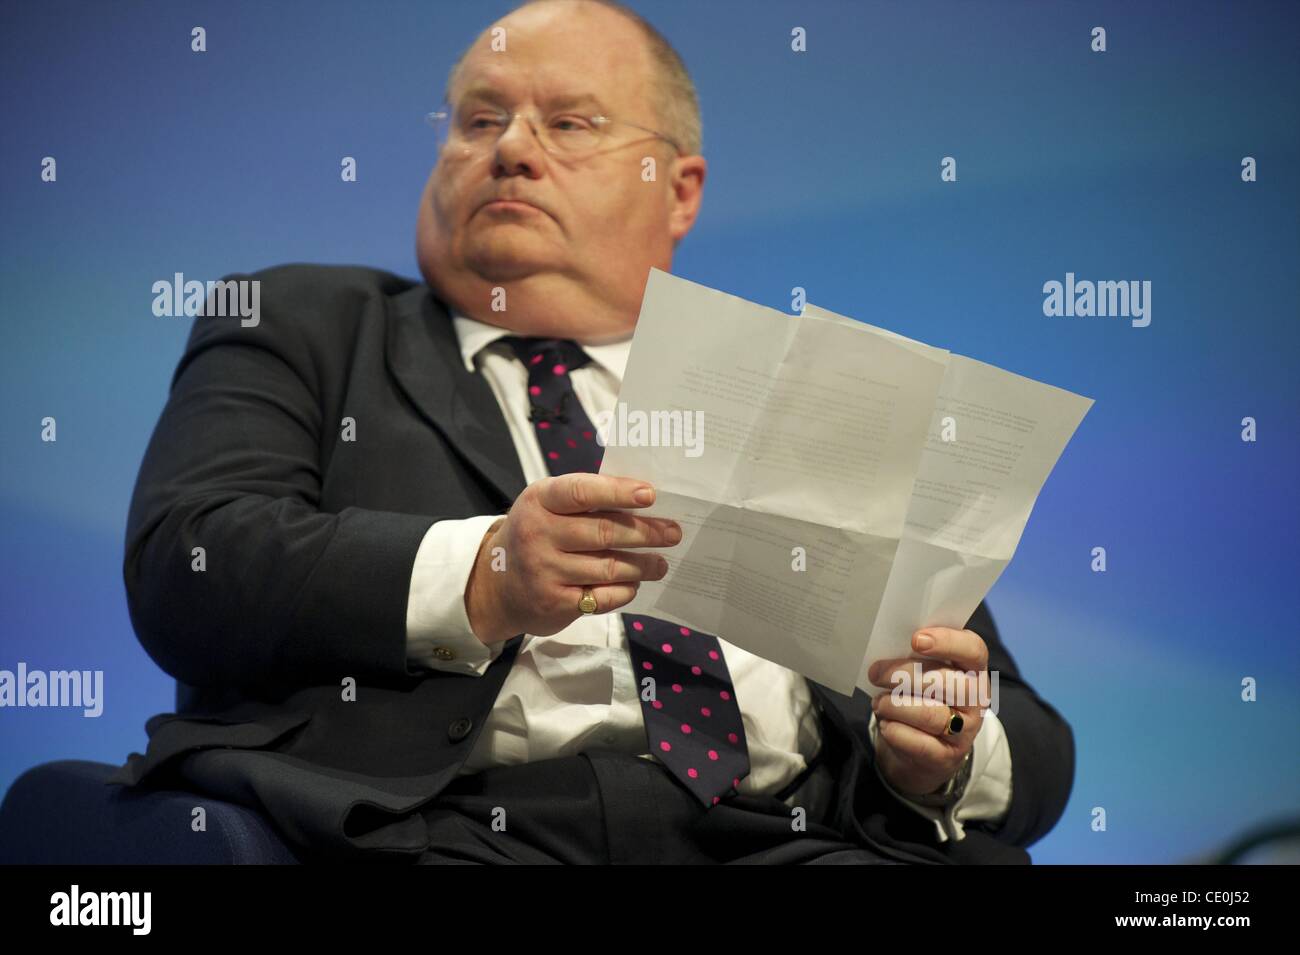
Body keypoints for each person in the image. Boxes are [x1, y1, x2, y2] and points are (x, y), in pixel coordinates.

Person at [110, 0, 1073, 864]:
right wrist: (488, 571)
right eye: (480, 120)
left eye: (569, 123)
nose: (511, 149)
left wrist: (938, 753)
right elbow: (187, 564)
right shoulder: (300, 321)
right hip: (441, 829)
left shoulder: (794, 390)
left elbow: (1031, 741)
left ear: (680, 189)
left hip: (792, 834)